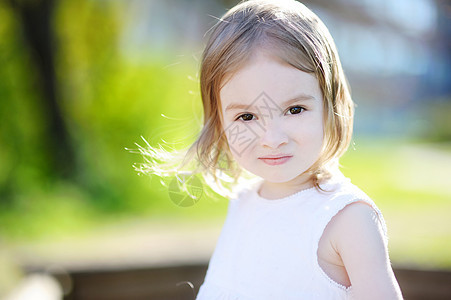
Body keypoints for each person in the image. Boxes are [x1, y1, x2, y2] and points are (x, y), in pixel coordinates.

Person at [137, 0, 403, 299]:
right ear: (219, 121)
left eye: (295, 109)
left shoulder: (347, 219)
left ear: (331, 105)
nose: (272, 138)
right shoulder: (245, 200)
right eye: (246, 117)